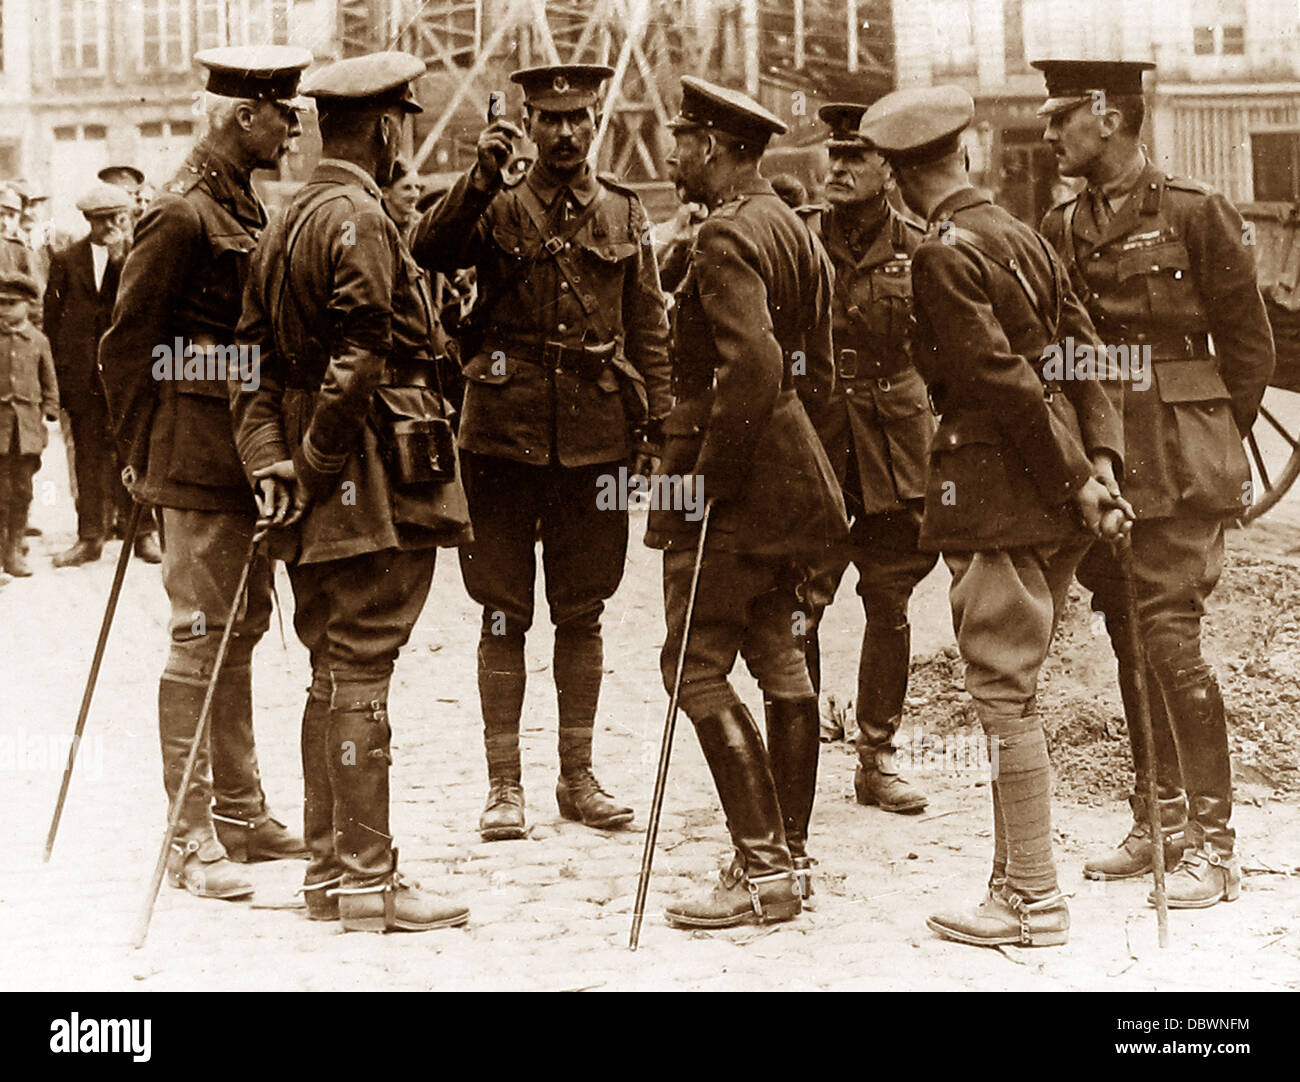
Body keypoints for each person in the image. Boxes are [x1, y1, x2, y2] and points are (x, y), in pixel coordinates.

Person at [859, 85, 1131, 947]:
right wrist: (1102, 465)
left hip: (1001, 493)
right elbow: (1084, 354)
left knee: (1002, 692)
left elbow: (1000, 384)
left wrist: (1072, 479)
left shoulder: (941, 254)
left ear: (900, 180)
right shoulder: (1023, 233)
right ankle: (1011, 881)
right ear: (965, 156)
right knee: (1014, 684)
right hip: (1055, 494)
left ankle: (1034, 900)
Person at [234, 51, 473, 934]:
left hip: (315, 483)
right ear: (383, 127)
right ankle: (370, 878)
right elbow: (363, 357)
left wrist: (274, 464)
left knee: (331, 671)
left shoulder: (282, 220)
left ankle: (332, 875)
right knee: (363, 670)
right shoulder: (362, 220)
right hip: (370, 480)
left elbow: (249, 367)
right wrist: (317, 465)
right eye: (401, 122)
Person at [1035, 59, 1274, 907]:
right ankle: (1158, 819)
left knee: (1171, 643)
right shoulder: (1063, 227)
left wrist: (1209, 437)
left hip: (1179, 463)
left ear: (1108, 114)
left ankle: (1216, 848)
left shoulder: (1195, 212)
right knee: (1130, 639)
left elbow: (1250, 351)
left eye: (1062, 113)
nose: (1048, 127)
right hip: (1107, 464)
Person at [413, 64, 672, 842]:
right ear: (527, 122)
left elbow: (650, 331)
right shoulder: (494, 205)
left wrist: (657, 433)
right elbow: (430, 250)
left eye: (578, 117)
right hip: (499, 439)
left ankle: (577, 775)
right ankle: (503, 787)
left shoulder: (626, 214)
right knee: (501, 612)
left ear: (596, 120)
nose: (564, 132)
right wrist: (478, 176)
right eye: (548, 119)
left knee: (583, 610)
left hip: (594, 443)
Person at [100, 45, 312, 902]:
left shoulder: (244, 206)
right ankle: (186, 837)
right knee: (199, 637)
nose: (292, 123)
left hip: (241, 456)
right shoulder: (182, 214)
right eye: (279, 110)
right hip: (190, 460)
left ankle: (240, 809)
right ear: (240, 117)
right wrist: (137, 458)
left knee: (241, 629)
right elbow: (126, 346)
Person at [648, 76, 846, 927]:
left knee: (691, 665)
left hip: (730, 484)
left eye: (683, 140)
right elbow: (819, 375)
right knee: (778, 653)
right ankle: (789, 859)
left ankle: (763, 867)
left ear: (719, 150)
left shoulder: (726, 235)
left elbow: (754, 370)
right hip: (792, 479)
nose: (671, 153)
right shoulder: (794, 232)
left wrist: (708, 484)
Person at [799, 102, 938, 811]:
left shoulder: (921, 246)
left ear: (889, 165)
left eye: (858, 156)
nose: (841, 168)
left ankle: (877, 757)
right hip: (816, 446)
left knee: (888, 602)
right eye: (836, 154)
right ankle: (792, 754)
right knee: (798, 602)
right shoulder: (795, 241)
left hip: (891, 451)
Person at [46, 183, 161, 567]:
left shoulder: (136, 258)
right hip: (82, 380)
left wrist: (120, 260)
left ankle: (141, 534)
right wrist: (61, 377)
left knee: (133, 452)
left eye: (119, 217)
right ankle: (89, 537)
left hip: (126, 379)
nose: (113, 225)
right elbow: (52, 322)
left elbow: (144, 315)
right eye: (104, 219)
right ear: (89, 221)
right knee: (88, 459)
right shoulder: (66, 260)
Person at [0, 270, 58, 581]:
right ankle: (5, 551)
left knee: (22, 489)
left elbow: (49, 380)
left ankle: (14, 545)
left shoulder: (38, 341)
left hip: (26, 431)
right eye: (0, 303)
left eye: (11, 303)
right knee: (1, 490)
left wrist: (50, 409)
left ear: (28, 305)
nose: (4, 309)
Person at [381, 156, 422, 243]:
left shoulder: (421, 224)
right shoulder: (378, 226)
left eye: (418, 187)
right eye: (407, 188)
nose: (415, 195)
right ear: (385, 192)